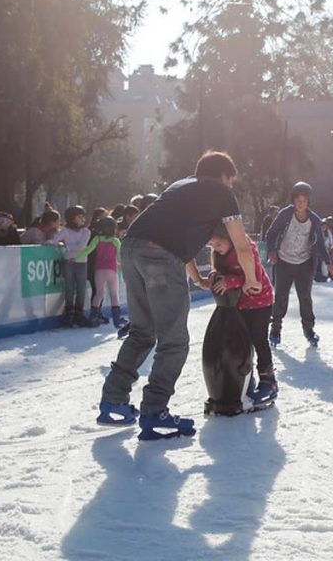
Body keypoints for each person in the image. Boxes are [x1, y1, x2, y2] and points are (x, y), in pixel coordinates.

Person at [97, 151, 261, 440]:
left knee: (141, 332)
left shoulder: (180, 186)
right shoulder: (222, 193)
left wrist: (196, 276)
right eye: (231, 179)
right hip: (161, 257)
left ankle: (113, 401)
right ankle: (154, 411)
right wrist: (251, 279)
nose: (231, 185)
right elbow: (242, 245)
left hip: (131, 249)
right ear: (223, 175)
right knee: (174, 341)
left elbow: (175, 234)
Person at [208, 222, 277, 404]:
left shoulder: (246, 248)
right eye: (213, 246)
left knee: (258, 339)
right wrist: (214, 276)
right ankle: (247, 378)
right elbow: (218, 271)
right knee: (242, 342)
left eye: (219, 244)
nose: (216, 249)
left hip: (261, 300)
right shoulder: (219, 254)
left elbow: (254, 278)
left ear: (230, 238)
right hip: (241, 304)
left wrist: (229, 281)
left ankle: (268, 381)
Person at [264, 181, 332, 348]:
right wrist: (272, 250)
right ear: (293, 200)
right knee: (280, 297)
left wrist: (328, 262)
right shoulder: (285, 214)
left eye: (304, 201)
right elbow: (271, 233)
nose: (300, 204)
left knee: (305, 298)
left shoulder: (314, 220)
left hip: (304, 264)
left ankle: (309, 330)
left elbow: (321, 244)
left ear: (308, 202)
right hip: (284, 262)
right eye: (298, 200)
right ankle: (275, 329)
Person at [76, 216, 127, 329]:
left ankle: (93, 318)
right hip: (111, 271)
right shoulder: (115, 241)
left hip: (99, 270)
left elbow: (88, 250)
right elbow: (119, 257)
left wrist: (76, 258)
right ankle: (117, 320)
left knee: (99, 294)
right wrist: (121, 265)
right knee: (114, 294)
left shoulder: (97, 239)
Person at [51, 206, 92, 327]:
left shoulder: (86, 231)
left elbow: (81, 246)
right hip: (68, 261)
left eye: (83, 216)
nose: (83, 219)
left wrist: (66, 246)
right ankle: (69, 311)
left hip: (82, 262)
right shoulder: (65, 230)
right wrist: (61, 244)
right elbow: (54, 240)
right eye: (79, 216)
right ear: (72, 218)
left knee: (81, 287)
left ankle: (79, 312)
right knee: (69, 286)